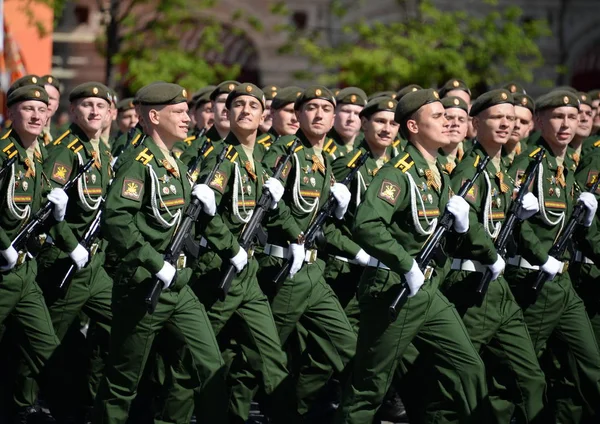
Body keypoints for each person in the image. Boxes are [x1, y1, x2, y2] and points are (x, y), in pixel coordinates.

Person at [337, 88, 489, 424]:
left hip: (427, 291)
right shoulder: (399, 172)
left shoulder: (437, 173)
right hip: (395, 289)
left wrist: (462, 228)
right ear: (414, 126)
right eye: (437, 115)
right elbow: (367, 224)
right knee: (369, 388)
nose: (448, 119)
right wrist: (405, 264)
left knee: (468, 368)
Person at [92, 82, 227, 423]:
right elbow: (116, 219)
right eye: (179, 113)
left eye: (186, 112)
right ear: (154, 116)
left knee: (208, 363)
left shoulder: (175, 163)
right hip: (144, 286)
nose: (188, 119)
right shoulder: (139, 164)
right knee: (124, 382)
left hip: (179, 286)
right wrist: (154, 263)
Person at [14, 82, 116, 420]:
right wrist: (72, 247)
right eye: (87, 105)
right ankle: (23, 402)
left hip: (95, 264)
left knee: (127, 324)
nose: (94, 112)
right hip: (65, 264)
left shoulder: (98, 150)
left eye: (100, 106)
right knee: (44, 344)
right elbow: (47, 208)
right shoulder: (66, 150)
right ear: (72, 111)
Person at [445, 89, 547, 422]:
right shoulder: (470, 169)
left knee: (530, 377)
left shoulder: (499, 168)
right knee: (457, 376)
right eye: (497, 117)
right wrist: (490, 254)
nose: (506, 124)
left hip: (498, 287)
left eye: (511, 118)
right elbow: (471, 225)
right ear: (475, 123)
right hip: (474, 284)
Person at [505, 90, 600, 422]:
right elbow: (516, 223)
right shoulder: (528, 164)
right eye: (558, 117)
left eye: (572, 117)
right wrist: (541, 256)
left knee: (590, 364)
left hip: (563, 283)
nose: (566, 124)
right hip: (536, 280)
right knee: (525, 369)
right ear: (539, 121)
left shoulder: (567, 168)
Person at [0, 86, 68, 422]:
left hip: (26, 273)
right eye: (28, 108)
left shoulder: (39, 155)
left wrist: (55, 216)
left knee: (48, 351)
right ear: (11, 113)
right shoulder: (2, 153)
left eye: (42, 109)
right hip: (1, 271)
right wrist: (2, 245)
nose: (36, 115)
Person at [438, 96, 469, 174]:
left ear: (466, 130)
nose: (456, 123)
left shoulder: (467, 161)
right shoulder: (431, 160)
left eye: (461, 120)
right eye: (449, 118)